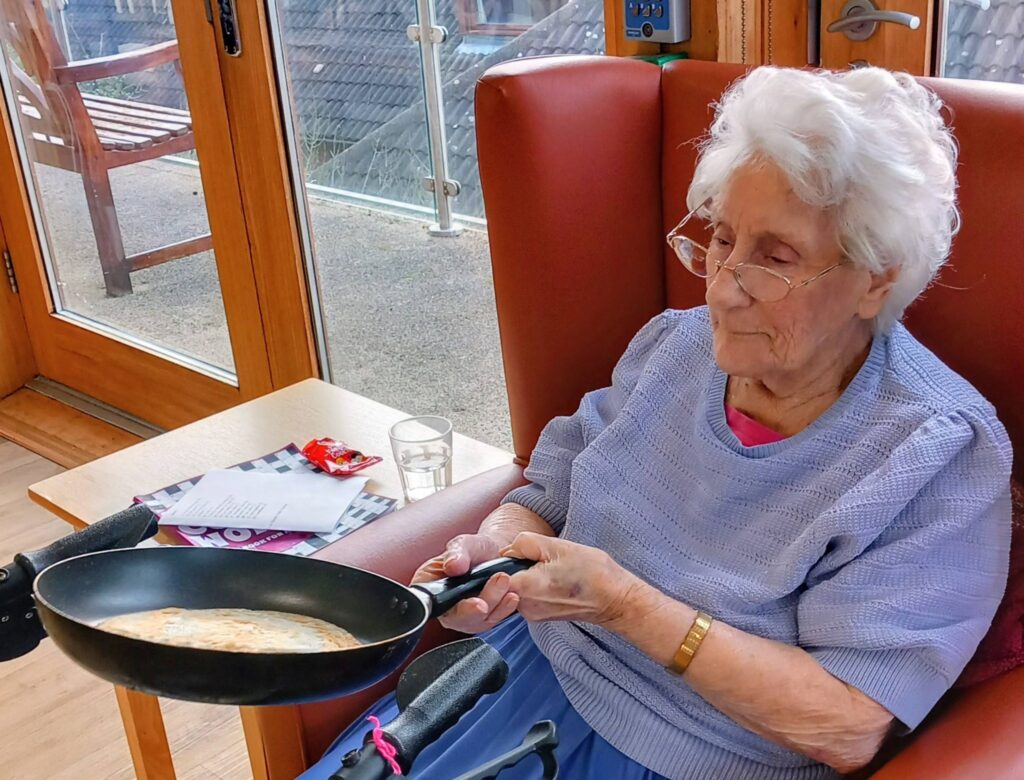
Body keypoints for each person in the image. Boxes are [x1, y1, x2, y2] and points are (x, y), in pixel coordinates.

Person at [301, 65, 1013, 779]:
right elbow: (542, 498)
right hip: (509, 676)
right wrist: (493, 564)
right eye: (722, 238)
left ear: (878, 277)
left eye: (775, 257)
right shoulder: (675, 345)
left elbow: (847, 724)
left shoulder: (938, 453)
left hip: (688, 755)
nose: (724, 288)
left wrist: (622, 604)